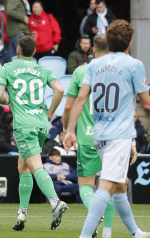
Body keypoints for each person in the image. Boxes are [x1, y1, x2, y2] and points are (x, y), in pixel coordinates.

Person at [63, 20, 150, 238]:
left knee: (120, 185)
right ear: (129, 42)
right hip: (118, 136)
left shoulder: (93, 65)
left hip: (99, 135)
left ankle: (135, 232)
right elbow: (146, 104)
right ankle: (85, 236)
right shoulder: (134, 64)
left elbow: (81, 98)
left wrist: (70, 130)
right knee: (105, 187)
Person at [0, 35, 68, 231]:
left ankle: (55, 202)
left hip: (24, 125)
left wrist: (6, 100)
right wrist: (50, 113)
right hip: (41, 123)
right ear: (35, 52)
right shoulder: (42, 69)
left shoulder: (8, 68)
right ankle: (22, 213)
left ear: (17, 51)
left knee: (35, 166)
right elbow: (59, 89)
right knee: (23, 167)